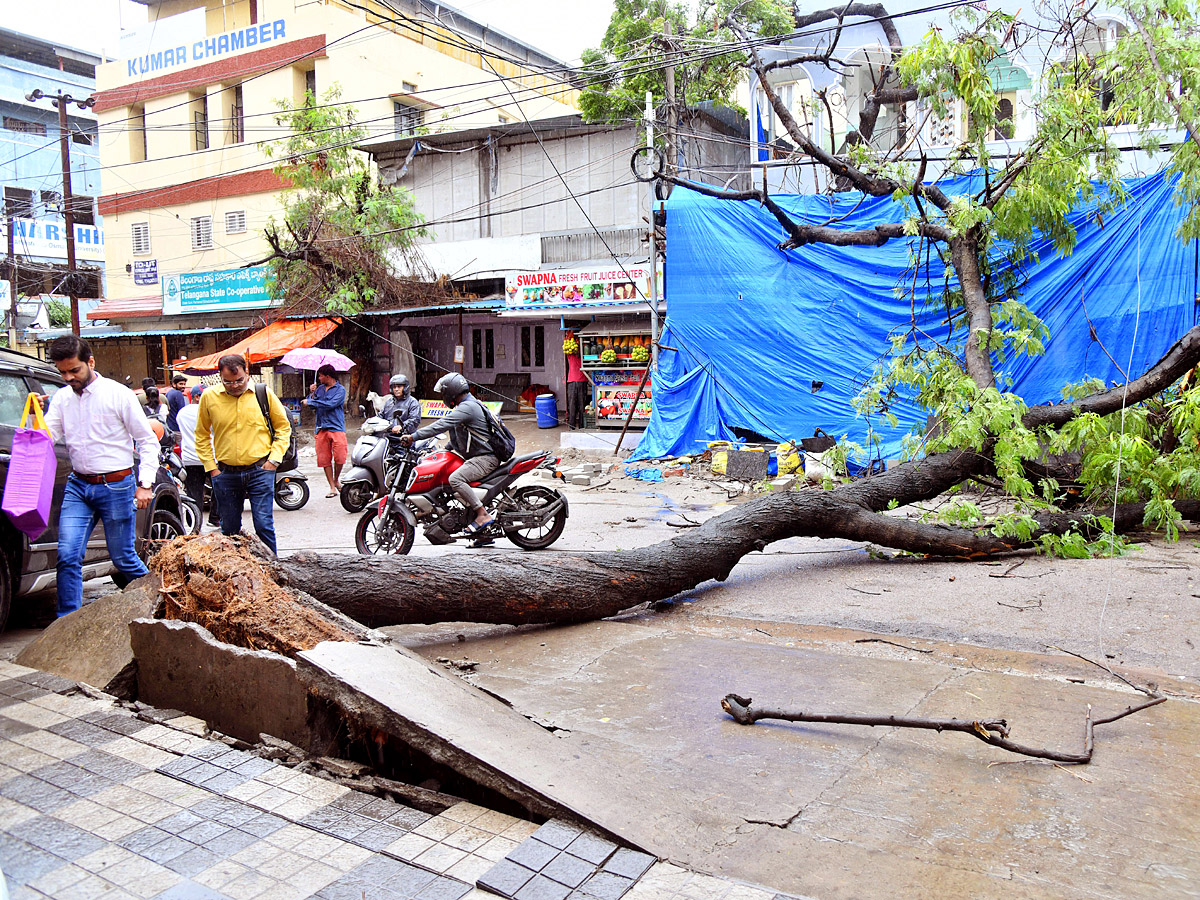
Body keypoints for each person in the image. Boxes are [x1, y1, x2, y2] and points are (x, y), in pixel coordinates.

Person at [43, 335, 161, 617]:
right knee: (68, 556)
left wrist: (145, 484)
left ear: (90, 362)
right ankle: (68, 623)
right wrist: (36, 412)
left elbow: (146, 440)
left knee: (123, 558)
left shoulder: (118, 394)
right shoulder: (61, 398)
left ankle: (160, 608)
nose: (69, 377)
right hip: (78, 486)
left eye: (75, 370)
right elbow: (46, 437)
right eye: (63, 372)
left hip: (117, 486)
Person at [195, 354, 291, 554]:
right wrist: (211, 468)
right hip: (225, 474)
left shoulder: (262, 394)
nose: (234, 385)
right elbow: (201, 435)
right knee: (229, 529)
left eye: (239, 380)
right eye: (227, 382)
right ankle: (234, 574)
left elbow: (283, 428)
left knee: (263, 524)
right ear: (219, 377)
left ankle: (272, 570)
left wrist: (273, 461)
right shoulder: (209, 397)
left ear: (247, 373)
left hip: (260, 470)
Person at [400, 372, 498, 533]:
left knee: (456, 479)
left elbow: (441, 425)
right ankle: (482, 533)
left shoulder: (468, 407)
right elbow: (460, 436)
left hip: (485, 458)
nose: (442, 397)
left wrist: (413, 436)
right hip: (479, 456)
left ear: (451, 391)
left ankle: (482, 514)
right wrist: (442, 451)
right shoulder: (467, 405)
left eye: (443, 393)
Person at [302, 363, 347, 498]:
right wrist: (312, 394)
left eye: (321, 376)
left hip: (336, 427)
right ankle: (332, 487)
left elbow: (330, 404)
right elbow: (312, 406)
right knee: (324, 459)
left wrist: (311, 402)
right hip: (321, 427)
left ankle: (336, 478)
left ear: (328, 376)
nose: (319, 379)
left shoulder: (340, 390)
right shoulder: (319, 389)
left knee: (340, 457)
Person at [176, 384, 219, 527]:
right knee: (219, 489)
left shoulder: (182, 413)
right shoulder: (210, 411)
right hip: (211, 457)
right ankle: (215, 518)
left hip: (189, 458)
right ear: (196, 397)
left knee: (194, 493)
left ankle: (195, 523)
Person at [565, 343, 588, 430]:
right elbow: (567, 345)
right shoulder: (571, 355)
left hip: (579, 382)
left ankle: (579, 425)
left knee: (580, 406)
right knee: (574, 405)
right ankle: (573, 426)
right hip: (573, 382)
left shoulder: (583, 356)